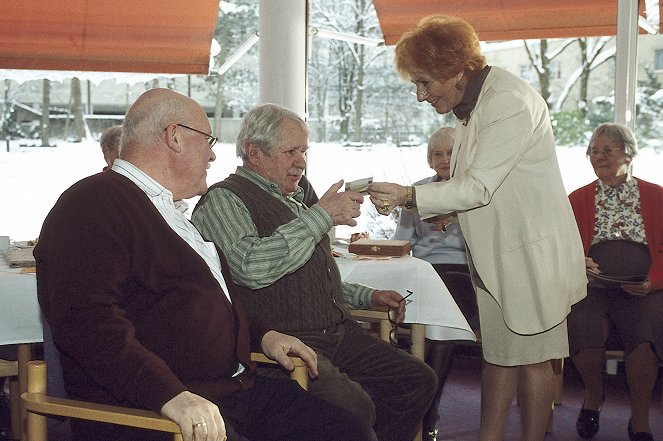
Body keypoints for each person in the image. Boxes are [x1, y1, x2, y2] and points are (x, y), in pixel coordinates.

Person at [33, 88, 377, 441]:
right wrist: (167, 395)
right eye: (208, 140)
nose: (214, 155)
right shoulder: (93, 202)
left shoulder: (168, 209)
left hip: (229, 394)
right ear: (175, 137)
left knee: (351, 429)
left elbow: (202, 299)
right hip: (157, 410)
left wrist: (263, 334)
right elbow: (86, 321)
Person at [366, 15, 587, 441]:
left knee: (535, 362)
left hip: (531, 258)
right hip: (499, 255)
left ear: (457, 68)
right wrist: (452, 212)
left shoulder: (507, 102)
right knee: (499, 358)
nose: (420, 95)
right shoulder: (472, 104)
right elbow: (494, 185)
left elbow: (479, 186)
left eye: (426, 83)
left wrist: (409, 196)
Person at [191, 102, 437, 441]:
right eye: (290, 151)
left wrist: (368, 295)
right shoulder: (225, 200)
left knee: (418, 380)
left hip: (336, 330)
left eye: (304, 151)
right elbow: (250, 267)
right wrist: (320, 216)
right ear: (254, 152)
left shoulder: (297, 198)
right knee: (356, 408)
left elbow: (312, 273)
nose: (301, 162)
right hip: (284, 339)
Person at [567, 123, 663, 441]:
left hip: (642, 287)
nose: (599, 156)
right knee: (580, 324)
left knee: (645, 335)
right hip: (593, 284)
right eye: (594, 151)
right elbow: (563, 245)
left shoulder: (656, 196)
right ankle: (594, 397)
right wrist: (577, 262)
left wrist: (653, 280)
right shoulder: (577, 198)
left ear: (629, 153)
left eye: (608, 149)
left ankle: (640, 421)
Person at [392, 126, 478, 441]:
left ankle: (428, 404)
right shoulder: (416, 193)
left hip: (465, 274)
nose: (444, 159)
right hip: (424, 272)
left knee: (440, 324)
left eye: (450, 153)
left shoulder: (473, 191)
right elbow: (402, 241)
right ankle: (422, 400)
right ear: (430, 160)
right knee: (427, 315)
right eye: (437, 154)